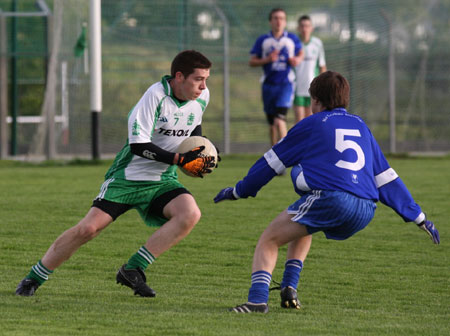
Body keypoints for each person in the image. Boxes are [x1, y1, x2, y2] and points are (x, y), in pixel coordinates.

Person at [214, 71, 440, 314]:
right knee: (304, 221)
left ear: (316, 101)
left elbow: (270, 164)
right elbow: (385, 178)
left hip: (333, 198)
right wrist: (418, 217)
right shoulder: (361, 125)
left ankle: (257, 301)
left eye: (311, 99)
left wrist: (239, 191)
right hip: (366, 208)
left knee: (269, 240)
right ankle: (289, 287)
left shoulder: (311, 123)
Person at [16, 50, 218, 297]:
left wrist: (203, 148)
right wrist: (179, 159)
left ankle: (133, 268)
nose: (204, 85)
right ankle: (33, 278)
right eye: (198, 79)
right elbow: (138, 145)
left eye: (206, 79)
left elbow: (193, 125)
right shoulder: (154, 97)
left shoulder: (202, 96)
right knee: (88, 229)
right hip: (127, 178)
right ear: (179, 76)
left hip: (162, 180)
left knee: (190, 213)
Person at [249, 8, 304, 146]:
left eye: (281, 18)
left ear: (285, 22)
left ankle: (283, 153)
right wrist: (267, 60)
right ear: (270, 21)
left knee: (280, 120)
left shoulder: (292, 39)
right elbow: (252, 61)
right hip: (268, 85)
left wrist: (297, 60)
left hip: (286, 84)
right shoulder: (263, 40)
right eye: (275, 18)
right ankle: (273, 154)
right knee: (272, 124)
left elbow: (301, 53)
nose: (278, 21)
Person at [293, 15, 327, 122]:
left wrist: (323, 88)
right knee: (299, 123)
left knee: (311, 122)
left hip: (313, 90)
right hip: (297, 89)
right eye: (302, 26)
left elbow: (322, 66)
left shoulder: (317, 44)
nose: (304, 29)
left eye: (307, 26)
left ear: (311, 28)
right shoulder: (293, 43)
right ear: (298, 28)